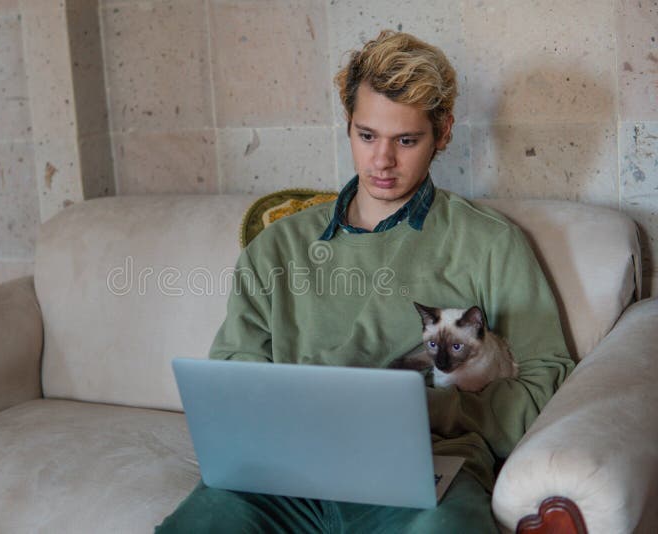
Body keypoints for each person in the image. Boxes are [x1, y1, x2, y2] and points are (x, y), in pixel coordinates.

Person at [156, 30, 574, 533]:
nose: (382, 161)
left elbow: (544, 383)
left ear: (442, 134)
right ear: (348, 127)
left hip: (424, 476)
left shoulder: (489, 243)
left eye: (406, 140)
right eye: (367, 135)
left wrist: (433, 409)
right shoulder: (277, 248)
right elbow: (232, 374)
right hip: (279, 477)